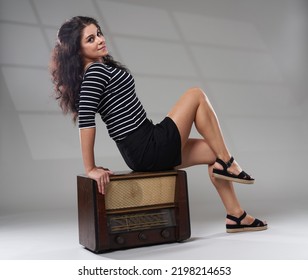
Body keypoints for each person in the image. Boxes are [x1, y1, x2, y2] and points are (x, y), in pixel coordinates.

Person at [50, 16, 267, 233]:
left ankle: (236, 215)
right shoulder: (94, 74)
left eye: (98, 33)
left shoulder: (102, 67)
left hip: (146, 142)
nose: (99, 40)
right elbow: (86, 120)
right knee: (196, 95)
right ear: (77, 51)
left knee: (214, 153)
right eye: (90, 39)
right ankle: (230, 164)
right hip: (146, 146)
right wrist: (90, 168)